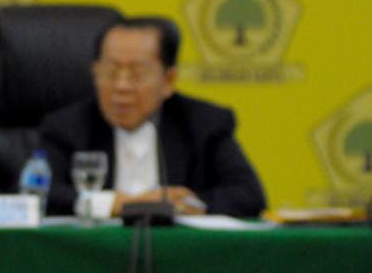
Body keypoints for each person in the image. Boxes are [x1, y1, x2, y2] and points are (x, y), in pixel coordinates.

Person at [38, 17, 267, 218]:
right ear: (95, 71)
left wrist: (186, 205)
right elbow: (38, 192)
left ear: (168, 80)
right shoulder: (66, 126)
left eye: (137, 74)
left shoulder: (204, 123)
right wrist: (115, 204)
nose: (122, 86)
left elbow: (248, 196)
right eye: (110, 72)